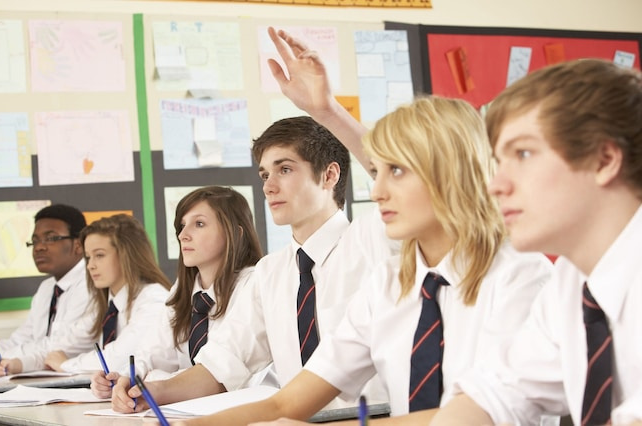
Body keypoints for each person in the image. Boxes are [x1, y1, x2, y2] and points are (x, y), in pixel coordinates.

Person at [167, 93, 553, 426]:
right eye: (378, 172)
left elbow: (480, 412)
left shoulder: (521, 275)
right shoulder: (389, 283)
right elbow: (287, 402)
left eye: (396, 171)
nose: (379, 191)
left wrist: (327, 109)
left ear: (448, 172)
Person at [111, 115, 388, 413]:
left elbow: (409, 175)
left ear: (329, 175)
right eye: (265, 175)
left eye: (284, 169)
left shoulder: (372, 239)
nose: (269, 187)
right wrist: (153, 391)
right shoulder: (270, 272)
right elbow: (225, 361)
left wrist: (326, 109)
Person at [430, 59, 642, 425]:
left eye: (523, 154)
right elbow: (497, 392)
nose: (496, 185)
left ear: (604, 159)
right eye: (498, 160)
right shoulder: (572, 282)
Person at [90, 186, 264, 399]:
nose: (183, 235)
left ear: (234, 233)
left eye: (199, 224)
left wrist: (157, 381)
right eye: (182, 226)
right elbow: (152, 353)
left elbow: (223, 372)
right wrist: (125, 379)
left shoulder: (256, 284)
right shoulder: (183, 290)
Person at [0, 213, 172, 376]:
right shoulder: (107, 305)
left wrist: (67, 365)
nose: (90, 265)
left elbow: (119, 357)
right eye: (88, 257)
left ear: (127, 255)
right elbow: (65, 344)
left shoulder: (153, 299)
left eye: (99, 255)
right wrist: (19, 364)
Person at [0, 204, 88, 375]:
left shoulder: (91, 284)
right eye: (35, 241)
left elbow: (60, 347)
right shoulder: (47, 288)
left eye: (50, 238)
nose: (39, 247)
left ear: (79, 245)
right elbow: (21, 340)